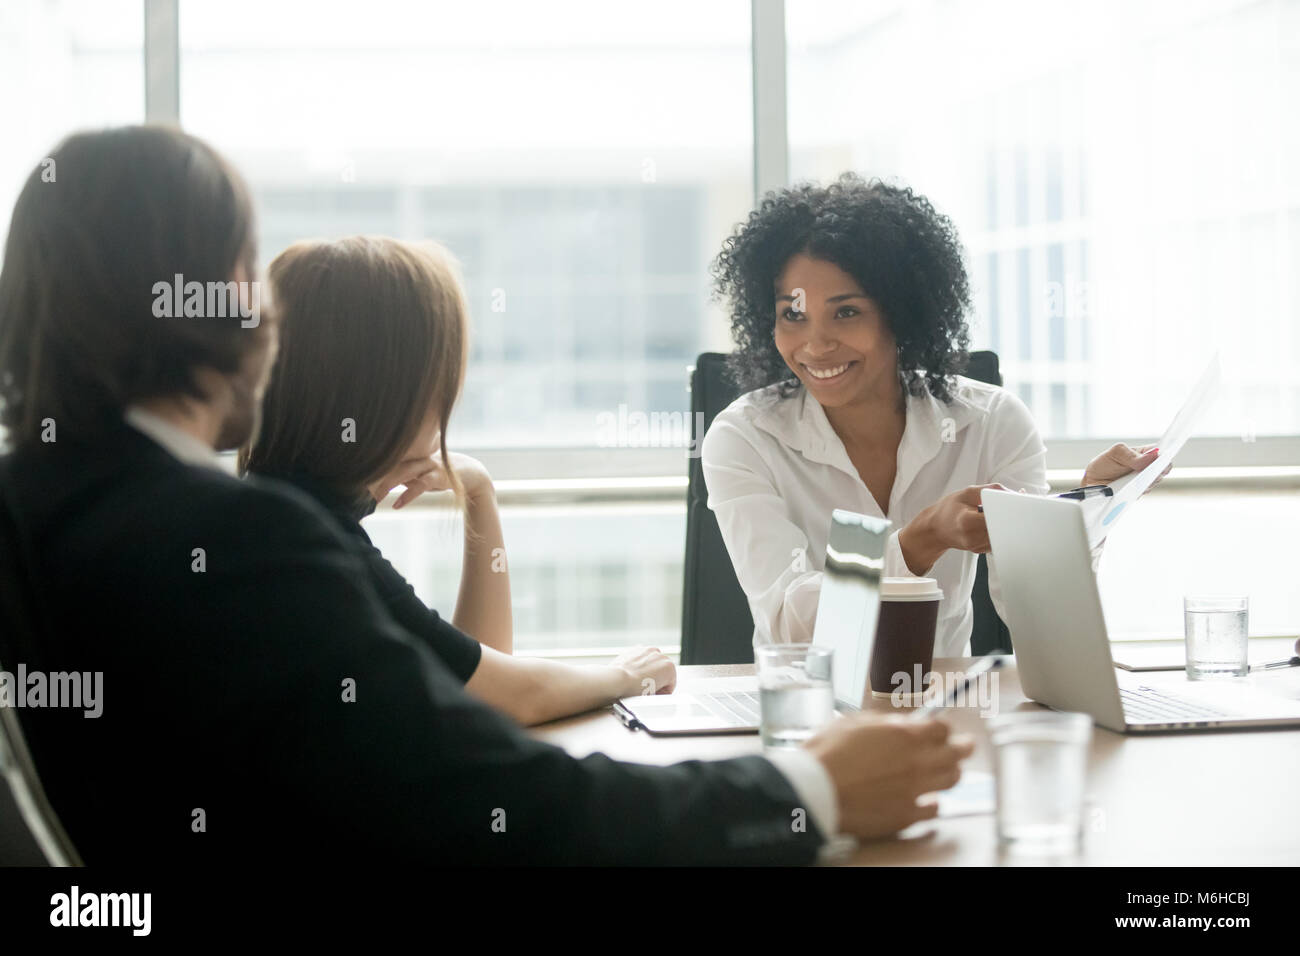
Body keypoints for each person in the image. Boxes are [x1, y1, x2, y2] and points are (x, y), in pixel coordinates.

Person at [0, 127, 973, 865]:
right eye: (249, 276)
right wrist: (810, 786)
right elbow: (504, 806)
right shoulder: (236, 538)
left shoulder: (36, 506)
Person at [703, 174, 1159, 655]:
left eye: (846, 312)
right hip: (806, 717)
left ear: (900, 313)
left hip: (945, 714)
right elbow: (793, 628)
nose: (816, 345)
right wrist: (920, 541)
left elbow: (1042, 620)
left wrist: (1088, 506)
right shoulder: (744, 437)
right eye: (793, 315)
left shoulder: (991, 423)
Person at [238, 235, 676, 726]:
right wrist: (624, 675)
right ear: (387, 397)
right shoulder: (311, 538)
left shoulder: (285, 503)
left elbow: (475, 674)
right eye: (436, 387)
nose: (443, 414)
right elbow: (502, 698)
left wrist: (478, 492)